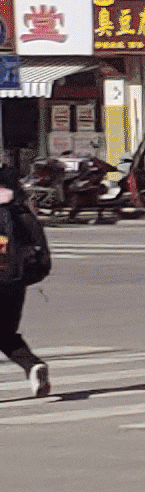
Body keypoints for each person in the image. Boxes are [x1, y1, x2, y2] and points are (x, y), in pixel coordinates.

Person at [0, 169, 49, 403]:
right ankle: (33, 366)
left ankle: (33, 366)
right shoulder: (21, 209)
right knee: (5, 333)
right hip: (16, 278)